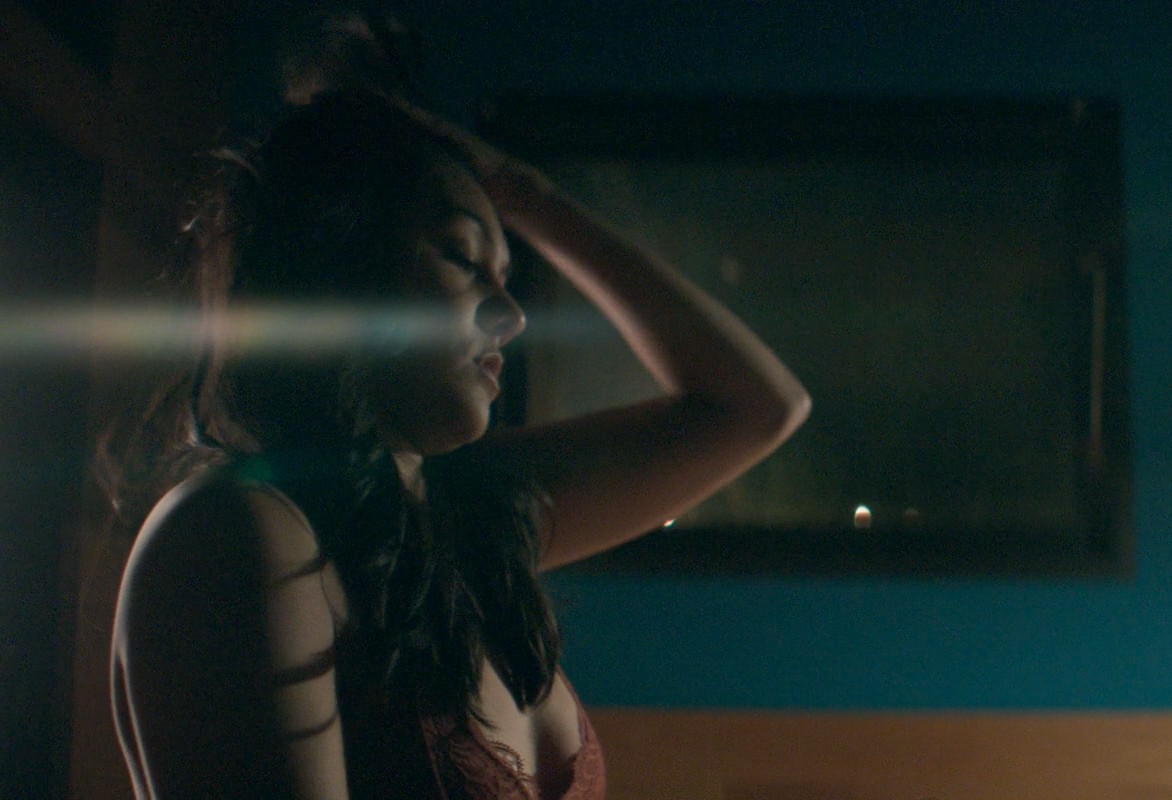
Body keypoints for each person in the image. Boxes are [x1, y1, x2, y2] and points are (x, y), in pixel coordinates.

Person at [106, 91, 809, 798]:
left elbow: (758, 408)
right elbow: (749, 410)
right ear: (342, 269)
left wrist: (527, 195)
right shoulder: (236, 529)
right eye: (460, 257)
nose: (509, 316)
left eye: (506, 277)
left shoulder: (463, 521)